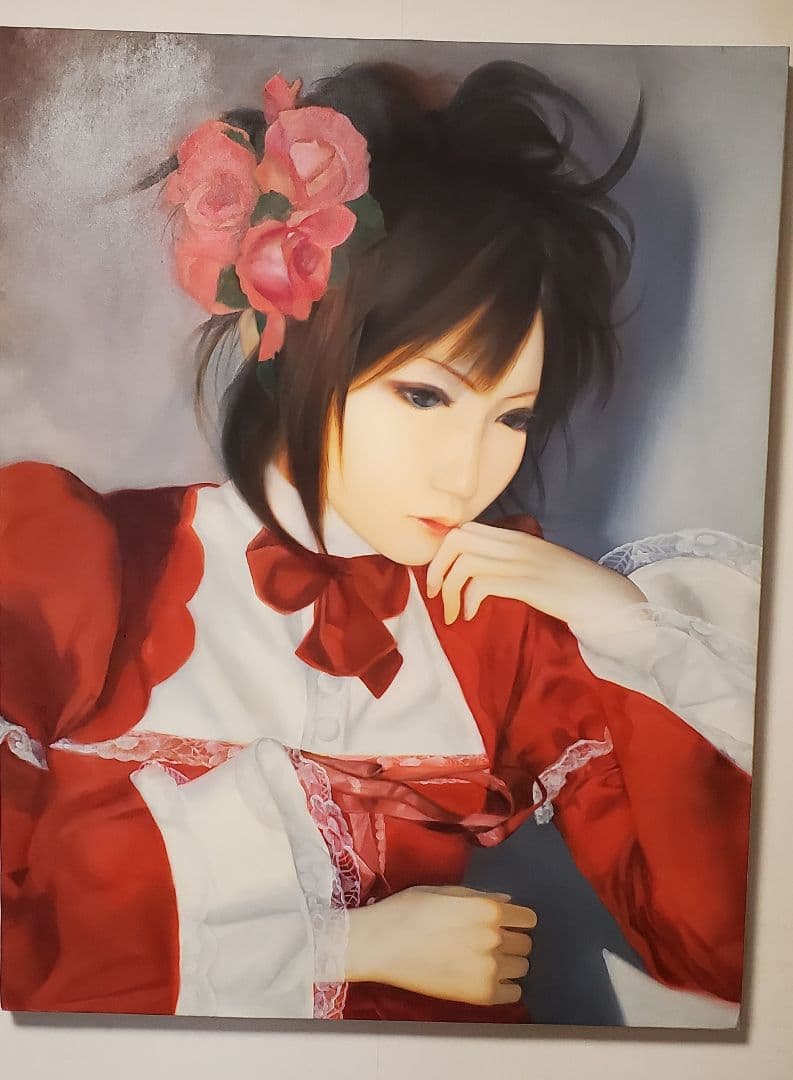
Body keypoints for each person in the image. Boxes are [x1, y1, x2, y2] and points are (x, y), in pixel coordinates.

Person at [0, 59, 757, 1023]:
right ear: (290, 347)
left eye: (512, 417)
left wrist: (626, 624)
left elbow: (722, 948)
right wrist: (346, 949)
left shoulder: (503, 626)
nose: (469, 471)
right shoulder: (82, 569)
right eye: (425, 396)